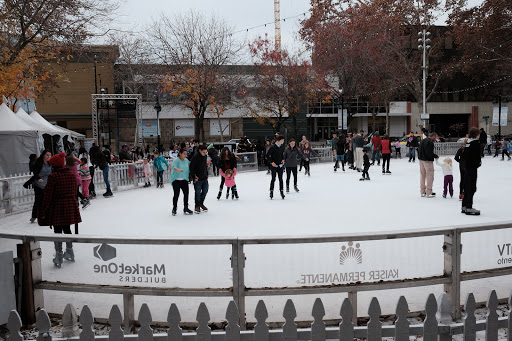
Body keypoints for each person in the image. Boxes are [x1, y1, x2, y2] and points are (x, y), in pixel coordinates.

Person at [38, 152, 81, 268]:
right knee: (67, 229)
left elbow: (48, 195)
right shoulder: (71, 175)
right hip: (70, 204)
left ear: (53, 165)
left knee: (57, 230)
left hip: (57, 206)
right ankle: (70, 251)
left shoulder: (53, 177)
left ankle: (58, 255)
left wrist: (43, 211)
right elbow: (75, 191)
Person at [462, 127, 482, 215]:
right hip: (472, 168)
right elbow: (477, 156)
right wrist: (478, 163)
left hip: (466, 167)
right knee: (472, 187)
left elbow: (465, 155)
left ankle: (464, 205)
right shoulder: (476, 143)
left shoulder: (467, 143)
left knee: (466, 186)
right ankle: (469, 207)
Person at [29, 150, 52, 223]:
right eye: (47, 155)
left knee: (47, 200)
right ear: (43, 156)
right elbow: (35, 172)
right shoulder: (39, 163)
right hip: (38, 185)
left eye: (50, 155)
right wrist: (38, 178)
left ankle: (45, 214)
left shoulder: (50, 164)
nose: (49, 157)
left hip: (47, 184)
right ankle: (34, 215)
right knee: (39, 200)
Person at [170, 149, 193, 216]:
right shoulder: (176, 160)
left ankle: (186, 207)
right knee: (176, 194)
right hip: (176, 180)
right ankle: (174, 208)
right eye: (184, 154)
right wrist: (178, 170)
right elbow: (174, 167)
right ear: (180, 153)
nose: (185, 155)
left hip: (184, 180)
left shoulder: (186, 161)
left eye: (186, 154)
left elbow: (190, 166)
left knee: (186, 194)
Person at [418, 132, 439, 198]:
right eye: (435, 137)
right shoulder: (430, 142)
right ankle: (429, 192)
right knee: (430, 176)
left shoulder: (422, 141)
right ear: (432, 136)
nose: (435, 138)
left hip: (421, 160)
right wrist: (435, 156)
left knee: (422, 176)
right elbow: (429, 153)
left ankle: (422, 191)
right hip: (428, 161)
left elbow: (419, 150)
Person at [189, 145, 209, 213]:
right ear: (200, 150)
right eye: (203, 152)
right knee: (197, 192)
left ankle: (201, 203)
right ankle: (197, 206)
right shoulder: (195, 157)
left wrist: (206, 174)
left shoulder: (205, 156)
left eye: (205, 152)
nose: (204, 154)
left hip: (204, 177)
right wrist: (194, 177)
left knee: (205, 191)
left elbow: (205, 166)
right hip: (197, 178)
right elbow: (191, 168)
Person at [267, 135, 286, 199]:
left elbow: (282, 155)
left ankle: (281, 191)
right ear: (280, 140)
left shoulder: (282, 147)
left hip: (280, 166)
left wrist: (283, 160)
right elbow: (267, 156)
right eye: (283, 140)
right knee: (273, 179)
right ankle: (271, 191)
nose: (283, 141)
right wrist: (272, 162)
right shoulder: (273, 147)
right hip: (274, 166)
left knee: (281, 179)